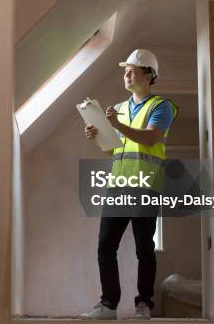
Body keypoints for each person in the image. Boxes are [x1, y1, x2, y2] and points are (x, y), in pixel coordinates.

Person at [80, 49, 178, 320]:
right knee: (105, 246)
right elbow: (114, 152)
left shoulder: (161, 107)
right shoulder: (120, 109)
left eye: (132, 69)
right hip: (118, 185)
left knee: (143, 247)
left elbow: (150, 139)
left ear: (149, 75)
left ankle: (144, 304)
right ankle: (109, 305)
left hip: (145, 185)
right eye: (125, 70)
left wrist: (117, 126)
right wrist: (99, 134)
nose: (126, 74)